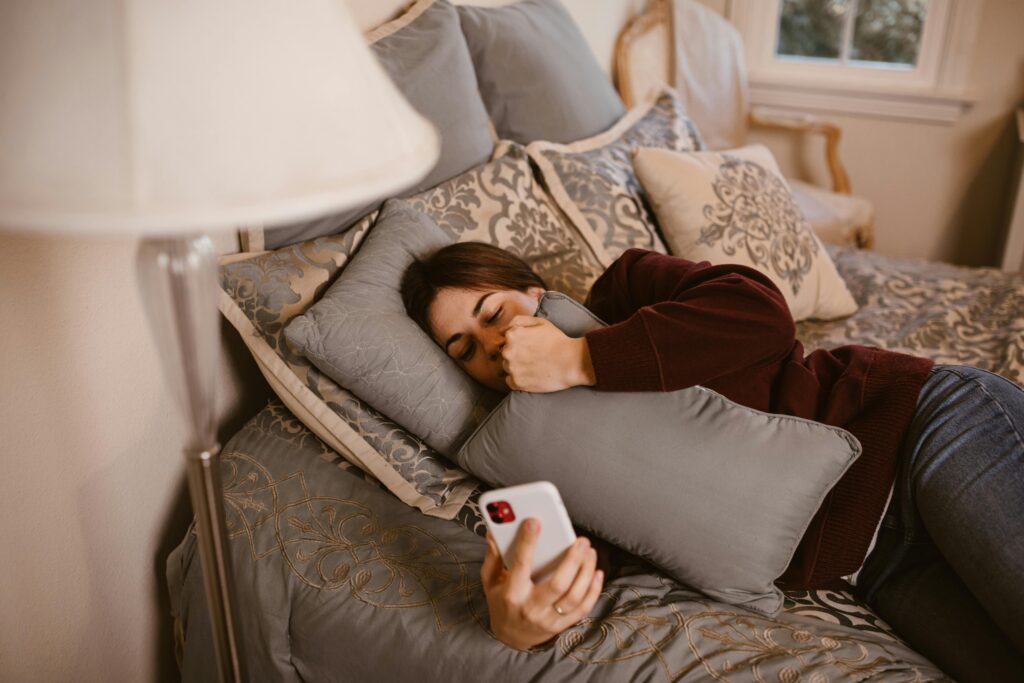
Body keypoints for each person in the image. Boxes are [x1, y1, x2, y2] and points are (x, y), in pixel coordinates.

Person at [401, 242, 1024, 680]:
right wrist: (521, 626)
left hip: (925, 430)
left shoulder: (625, 288)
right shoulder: (536, 453)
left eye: (494, 313)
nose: (493, 344)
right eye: (466, 348)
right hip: (875, 566)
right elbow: (622, 544)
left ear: (533, 291)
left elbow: (762, 313)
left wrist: (579, 361)